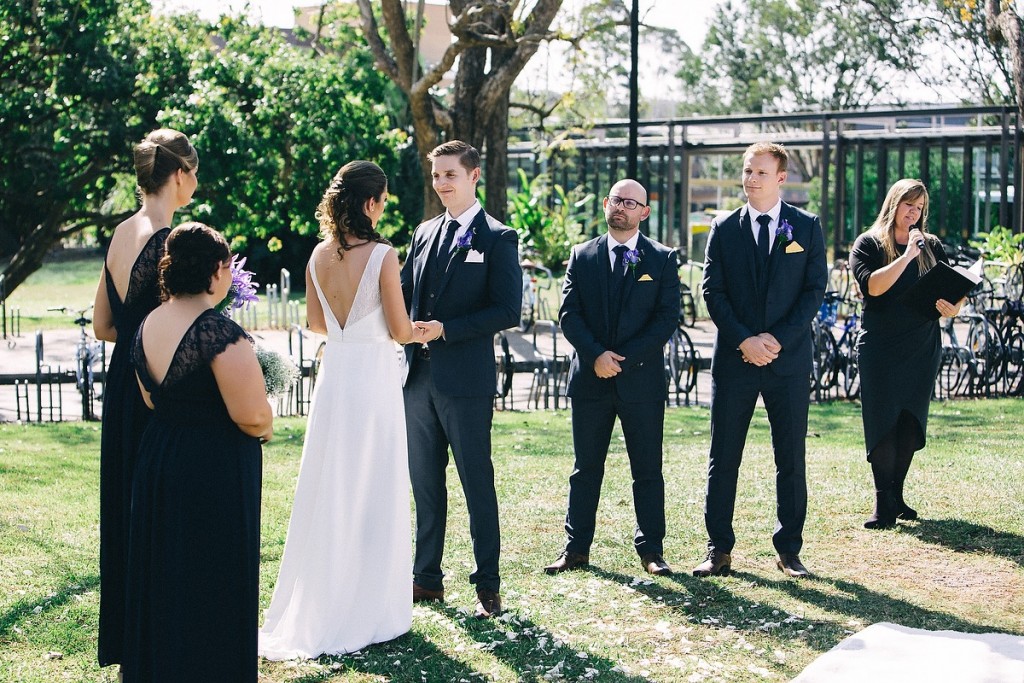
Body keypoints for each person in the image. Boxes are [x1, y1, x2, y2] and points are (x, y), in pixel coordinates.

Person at [259, 161, 427, 658]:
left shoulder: (316, 256)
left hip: (336, 381)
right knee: (375, 484)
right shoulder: (383, 255)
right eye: (383, 198)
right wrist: (426, 329)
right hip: (373, 380)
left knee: (332, 483)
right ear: (371, 203)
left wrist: (348, 331)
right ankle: (370, 609)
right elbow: (399, 330)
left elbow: (316, 322)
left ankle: (330, 598)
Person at [124, 223, 272, 682]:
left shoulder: (149, 323)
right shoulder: (218, 333)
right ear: (217, 269)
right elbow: (252, 415)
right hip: (214, 469)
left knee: (166, 574)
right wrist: (266, 427)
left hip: (160, 458)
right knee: (213, 579)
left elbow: (151, 399)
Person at [91, 128, 198, 671]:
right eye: (194, 173)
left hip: (119, 383)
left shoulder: (119, 233)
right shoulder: (169, 242)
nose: (196, 183)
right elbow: (175, 330)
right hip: (155, 388)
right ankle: (160, 642)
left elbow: (102, 325)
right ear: (178, 174)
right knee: (160, 510)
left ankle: (129, 639)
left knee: (126, 507)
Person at [401, 140, 521, 619]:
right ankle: (427, 578)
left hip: (465, 381)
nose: (441, 183)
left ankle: (487, 583)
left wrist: (447, 329)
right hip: (417, 380)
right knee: (425, 485)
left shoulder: (498, 237)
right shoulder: (423, 232)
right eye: (435, 175)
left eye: (449, 174)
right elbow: (404, 290)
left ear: (474, 176)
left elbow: (507, 310)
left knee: (477, 483)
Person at [695, 142, 827, 579]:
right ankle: (719, 550)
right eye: (747, 172)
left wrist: (775, 340)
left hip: (787, 362)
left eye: (761, 173)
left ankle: (789, 550)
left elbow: (813, 291)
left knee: (790, 457)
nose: (751, 179)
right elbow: (713, 291)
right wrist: (745, 341)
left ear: (782, 178)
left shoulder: (805, 227)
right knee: (723, 456)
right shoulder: (723, 226)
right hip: (736, 361)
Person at [542, 179, 680, 577]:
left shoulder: (662, 259)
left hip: (643, 382)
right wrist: (596, 355)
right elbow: (569, 314)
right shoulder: (581, 256)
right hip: (590, 380)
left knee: (648, 469)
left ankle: (652, 550)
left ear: (644, 212)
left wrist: (623, 360)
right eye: (617, 200)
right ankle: (576, 548)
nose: (622, 207)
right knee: (585, 468)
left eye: (631, 202)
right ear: (606, 204)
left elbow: (666, 319)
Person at [848, 179, 960, 529]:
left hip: (922, 344)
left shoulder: (933, 245)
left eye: (920, 207)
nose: (913, 212)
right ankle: (883, 504)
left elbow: (954, 286)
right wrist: (908, 255)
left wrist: (954, 307)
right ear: (893, 203)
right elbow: (873, 287)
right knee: (883, 421)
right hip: (880, 346)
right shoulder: (868, 244)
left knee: (910, 423)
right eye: (908, 204)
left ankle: (897, 495)